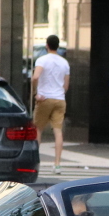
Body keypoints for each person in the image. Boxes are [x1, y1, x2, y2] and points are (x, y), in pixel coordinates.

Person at [31, 35, 70, 172]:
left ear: (47, 45)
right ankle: (57, 164)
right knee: (58, 131)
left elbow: (35, 77)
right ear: (58, 46)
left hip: (44, 98)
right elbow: (66, 86)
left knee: (37, 129)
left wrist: (36, 93)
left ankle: (35, 162)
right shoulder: (64, 63)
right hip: (59, 99)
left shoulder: (42, 60)